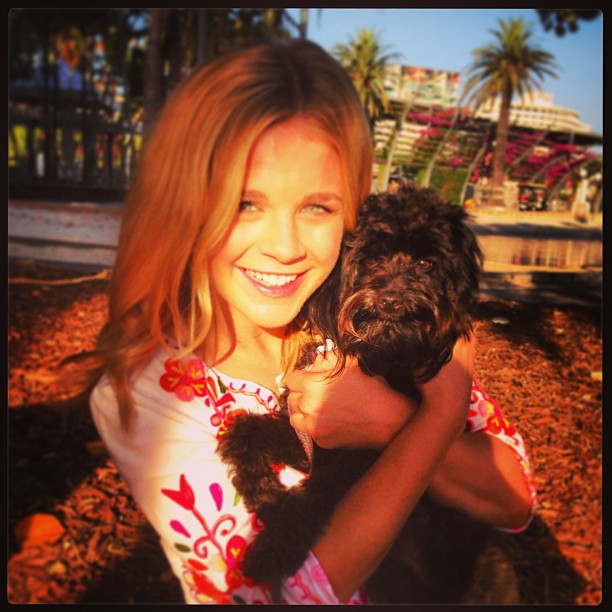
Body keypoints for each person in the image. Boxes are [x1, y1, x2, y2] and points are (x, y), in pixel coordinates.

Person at [88, 39, 536, 605]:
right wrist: (435, 417)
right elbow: (277, 595)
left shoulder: (365, 313)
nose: (285, 247)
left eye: (316, 207)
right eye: (245, 204)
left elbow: (515, 501)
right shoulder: (149, 394)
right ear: (180, 204)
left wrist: (392, 423)